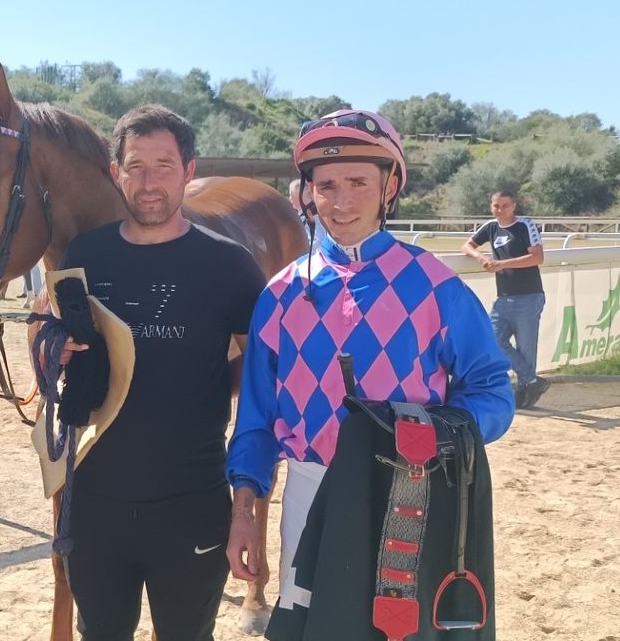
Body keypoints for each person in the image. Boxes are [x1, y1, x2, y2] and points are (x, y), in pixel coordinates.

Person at [224, 109, 514, 627]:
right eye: (327, 185)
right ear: (308, 193)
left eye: (358, 182)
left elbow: (492, 390)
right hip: (310, 489)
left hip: (412, 490)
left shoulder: (436, 286)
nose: (341, 201)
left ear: (390, 185)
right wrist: (243, 509)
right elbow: (255, 420)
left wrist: (438, 437)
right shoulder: (281, 294)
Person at [58, 105, 266, 640]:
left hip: (192, 500)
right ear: (115, 172)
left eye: (163, 166)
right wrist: (53, 351)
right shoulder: (85, 255)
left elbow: (264, 368)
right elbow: (57, 345)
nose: (149, 182)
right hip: (96, 502)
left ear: (189, 169)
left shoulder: (228, 263)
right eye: (136, 166)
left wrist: (212, 383)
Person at [462, 191, 550, 408]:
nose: (499, 210)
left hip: (529, 296)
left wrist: (502, 264)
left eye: (504, 205)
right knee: (493, 338)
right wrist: (482, 258)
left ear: (514, 206)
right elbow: (467, 246)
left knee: (526, 348)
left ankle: (525, 391)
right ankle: (531, 381)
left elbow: (537, 257)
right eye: (496, 206)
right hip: (504, 297)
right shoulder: (491, 227)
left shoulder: (525, 225)